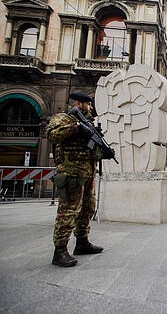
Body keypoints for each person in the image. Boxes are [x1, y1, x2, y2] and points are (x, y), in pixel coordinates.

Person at [47, 92, 104, 267]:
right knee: (68, 211)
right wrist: (76, 127)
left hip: (87, 173)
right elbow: (52, 135)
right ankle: (60, 251)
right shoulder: (63, 118)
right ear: (79, 104)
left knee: (87, 208)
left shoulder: (89, 123)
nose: (91, 107)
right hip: (71, 173)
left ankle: (82, 242)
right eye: (88, 104)